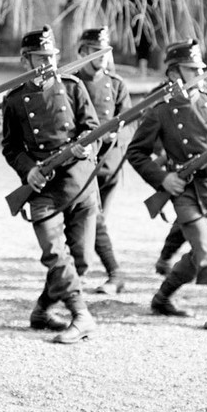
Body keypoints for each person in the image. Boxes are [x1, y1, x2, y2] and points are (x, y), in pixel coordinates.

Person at [127, 39, 207, 332]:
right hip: (185, 191)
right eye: (191, 69)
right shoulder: (160, 110)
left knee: (199, 256)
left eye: (200, 69)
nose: (199, 74)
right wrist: (162, 178)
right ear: (173, 74)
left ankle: (162, 297)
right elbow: (137, 152)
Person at [0, 26, 102, 344]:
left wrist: (87, 146)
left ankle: (43, 309)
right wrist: (28, 170)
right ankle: (81, 315)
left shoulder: (72, 87)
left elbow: (93, 127)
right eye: (40, 57)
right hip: (43, 189)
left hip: (80, 183)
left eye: (51, 56)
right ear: (26, 60)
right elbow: (10, 147)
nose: (47, 62)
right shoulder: (14, 100)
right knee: (55, 254)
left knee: (80, 260)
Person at [74, 26, 131, 295]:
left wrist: (117, 133)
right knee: (90, 218)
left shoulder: (117, 84)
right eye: (96, 51)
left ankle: (76, 272)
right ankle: (112, 272)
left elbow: (130, 122)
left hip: (109, 162)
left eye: (105, 52)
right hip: (80, 163)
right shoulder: (72, 83)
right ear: (83, 52)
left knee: (96, 220)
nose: (101, 57)